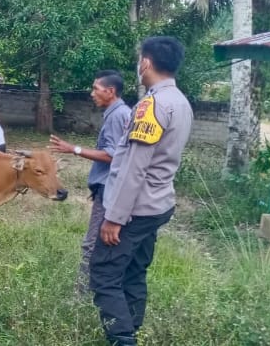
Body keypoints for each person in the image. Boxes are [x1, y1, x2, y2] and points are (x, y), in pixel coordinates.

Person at [90, 36, 192, 346]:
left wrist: (114, 218)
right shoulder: (181, 102)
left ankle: (123, 339)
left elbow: (135, 165)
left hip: (136, 209)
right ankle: (131, 328)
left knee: (104, 273)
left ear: (145, 63)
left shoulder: (152, 104)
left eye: (139, 60)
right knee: (134, 270)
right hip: (158, 205)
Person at [48, 70, 131, 295]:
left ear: (110, 91)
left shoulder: (117, 115)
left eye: (96, 88)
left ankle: (81, 297)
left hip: (108, 187)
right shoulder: (120, 112)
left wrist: (73, 149)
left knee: (92, 244)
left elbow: (113, 155)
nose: (92, 93)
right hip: (112, 187)